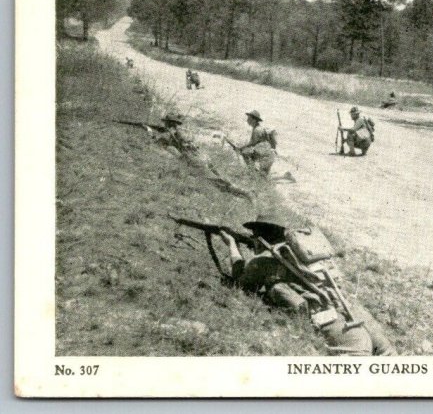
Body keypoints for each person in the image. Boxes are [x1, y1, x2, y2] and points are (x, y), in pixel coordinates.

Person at [218, 217, 396, 356]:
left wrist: (232, 246)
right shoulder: (307, 254)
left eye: (253, 236)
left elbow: (240, 283)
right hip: (355, 314)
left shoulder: (266, 261)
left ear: (259, 238)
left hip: (333, 326)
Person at [149, 113, 254, 202]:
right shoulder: (183, 131)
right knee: (220, 178)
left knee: (217, 183)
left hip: (195, 160)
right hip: (203, 156)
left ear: (169, 123)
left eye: (166, 123)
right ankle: (243, 193)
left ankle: (246, 195)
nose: (164, 124)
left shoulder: (171, 134)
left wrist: (152, 134)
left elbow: (165, 147)